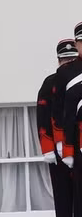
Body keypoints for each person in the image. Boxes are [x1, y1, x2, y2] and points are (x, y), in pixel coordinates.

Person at [36, 39, 77, 217]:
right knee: (63, 198)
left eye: (71, 60)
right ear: (58, 60)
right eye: (65, 60)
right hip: (58, 150)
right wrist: (48, 149)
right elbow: (42, 116)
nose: (68, 63)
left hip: (78, 147)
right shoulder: (50, 82)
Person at [58, 23, 82, 217]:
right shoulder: (66, 73)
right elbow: (60, 113)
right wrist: (65, 148)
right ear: (76, 43)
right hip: (79, 143)